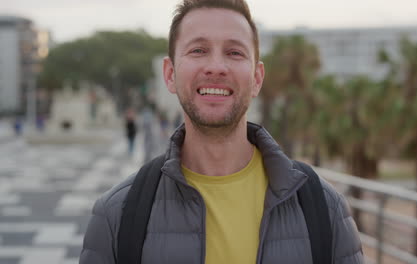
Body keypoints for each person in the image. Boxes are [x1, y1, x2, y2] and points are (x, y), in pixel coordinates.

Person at [80, 0, 363, 263]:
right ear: (170, 74)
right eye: (198, 50)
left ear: (256, 78)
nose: (216, 67)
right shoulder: (116, 214)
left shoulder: (325, 209)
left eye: (234, 52)